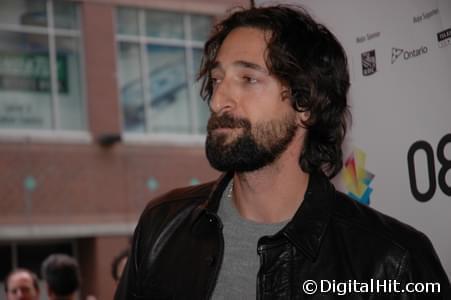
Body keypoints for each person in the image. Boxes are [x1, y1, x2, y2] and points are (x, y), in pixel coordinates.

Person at [115, 5, 451, 299]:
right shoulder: (161, 227)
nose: (218, 101)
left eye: (248, 78)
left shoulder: (393, 262)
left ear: (305, 104)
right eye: (217, 80)